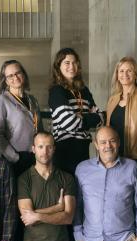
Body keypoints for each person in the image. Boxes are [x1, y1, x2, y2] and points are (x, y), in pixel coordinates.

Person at [48, 47, 104, 176]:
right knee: (68, 187)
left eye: (74, 63)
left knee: (82, 186)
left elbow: (100, 119)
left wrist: (80, 117)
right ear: (58, 67)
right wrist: (89, 117)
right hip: (64, 150)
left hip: (83, 148)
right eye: (67, 63)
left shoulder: (84, 90)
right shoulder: (57, 91)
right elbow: (69, 123)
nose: (71, 66)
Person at [0, 59, 43, 180]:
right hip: (16, 159)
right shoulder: (1, 101)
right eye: (10, 76)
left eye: (17, 73)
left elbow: (40, 129)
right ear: (5, 81)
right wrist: (15, 158)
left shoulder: (33, 100)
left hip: (35, 157)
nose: (15, 77)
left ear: (23, 74)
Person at [105, 56, 137, 160]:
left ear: (136, 75)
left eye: (129, 71)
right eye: (121, 71)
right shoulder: (112, 100)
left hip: (136, 157)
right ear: (117, 75)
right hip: (113, 156)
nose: (125, 74)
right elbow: (107, 128)